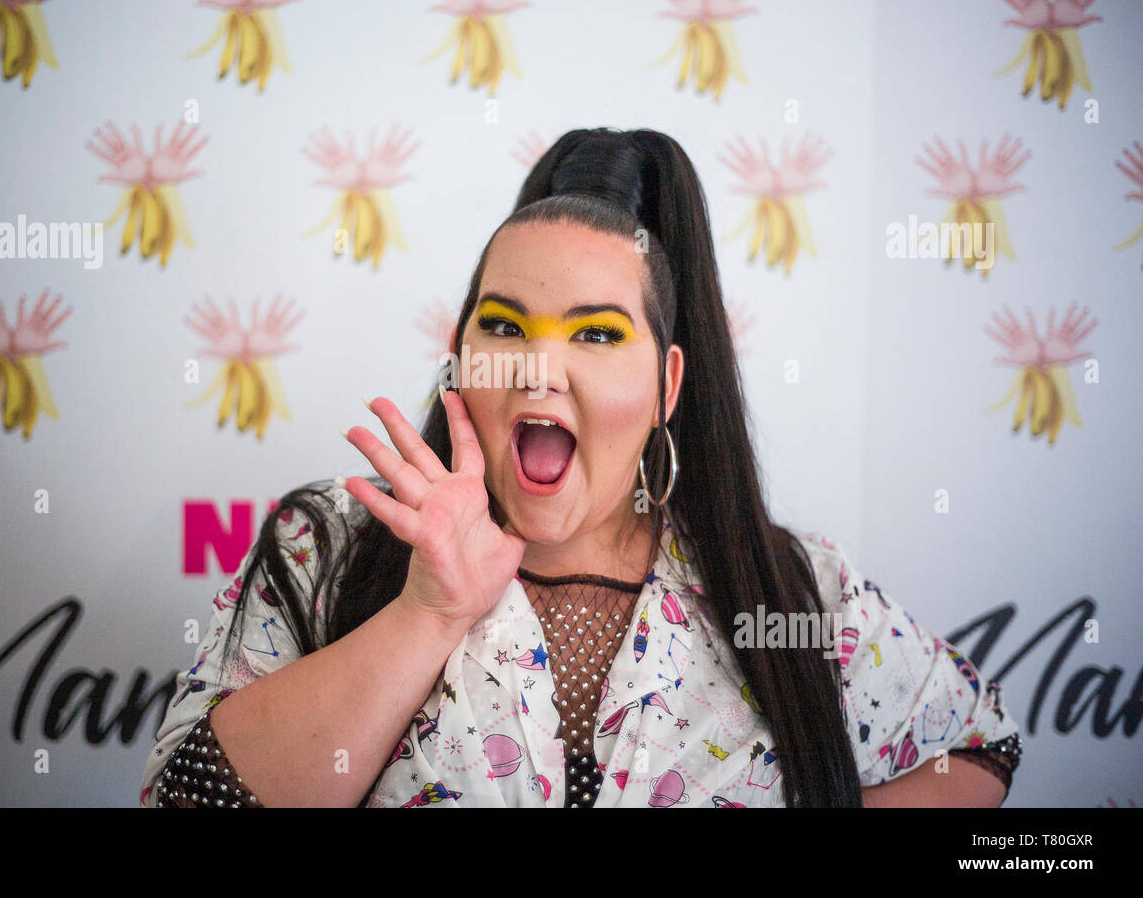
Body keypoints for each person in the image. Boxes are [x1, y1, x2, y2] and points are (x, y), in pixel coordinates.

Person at [140, 128, 1022, 808]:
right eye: (504, 325)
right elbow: (188, 800)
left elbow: (979, 748)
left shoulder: (788, 590)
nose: (536, 369)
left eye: (597, 334)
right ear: (461, 357)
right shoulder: (332, 544)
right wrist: (427, 611)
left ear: (666, 382)